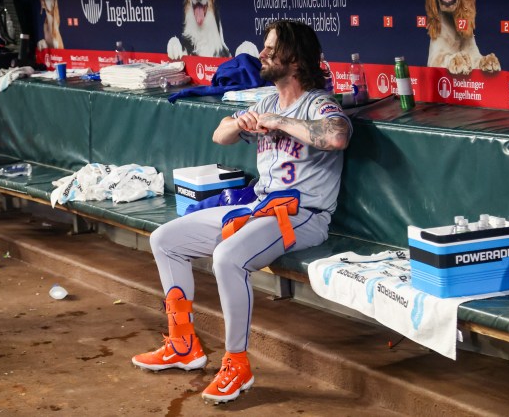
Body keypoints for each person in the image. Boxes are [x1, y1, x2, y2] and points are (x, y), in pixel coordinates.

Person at [131, 20, 352, 404]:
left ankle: (237, 363)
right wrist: (240, 122)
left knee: (228, 258)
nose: (262, 53)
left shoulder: (318, 102)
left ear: (295, 60)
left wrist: (279, 122)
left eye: (271, 48)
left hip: (305, 214)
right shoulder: (266, 99)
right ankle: (184, 344)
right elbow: (220, 134)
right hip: (259, 205)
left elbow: (336, 136)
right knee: (165, 239)